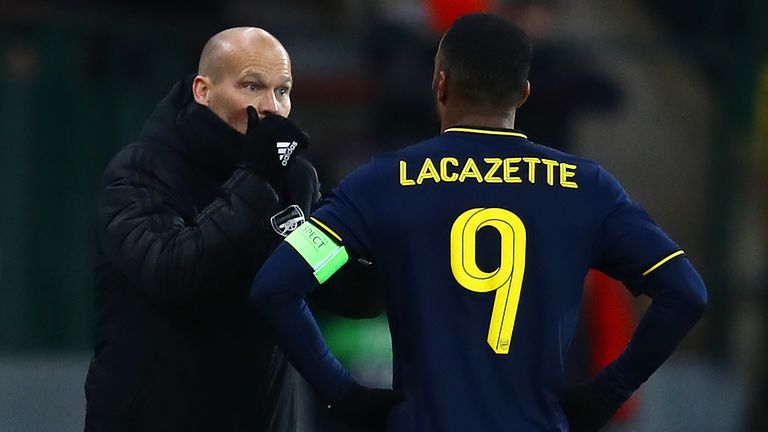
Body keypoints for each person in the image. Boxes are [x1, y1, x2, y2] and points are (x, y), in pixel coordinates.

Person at [249, 13, 708, 432]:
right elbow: (685, 293)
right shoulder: (586, 187)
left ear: (441, 84)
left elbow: (277, 286)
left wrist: (345, 396)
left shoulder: (381, 182)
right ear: (523, 93)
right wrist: (605, 394)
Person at [84, 27, 380, 432]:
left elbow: (332, 284)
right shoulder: (140, 172)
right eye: (253, 86)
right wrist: (256, 177)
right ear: (203, 91)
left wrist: (391, 259)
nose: (272, 108)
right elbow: (177, 278)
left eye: (283, 90)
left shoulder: (294, 181)